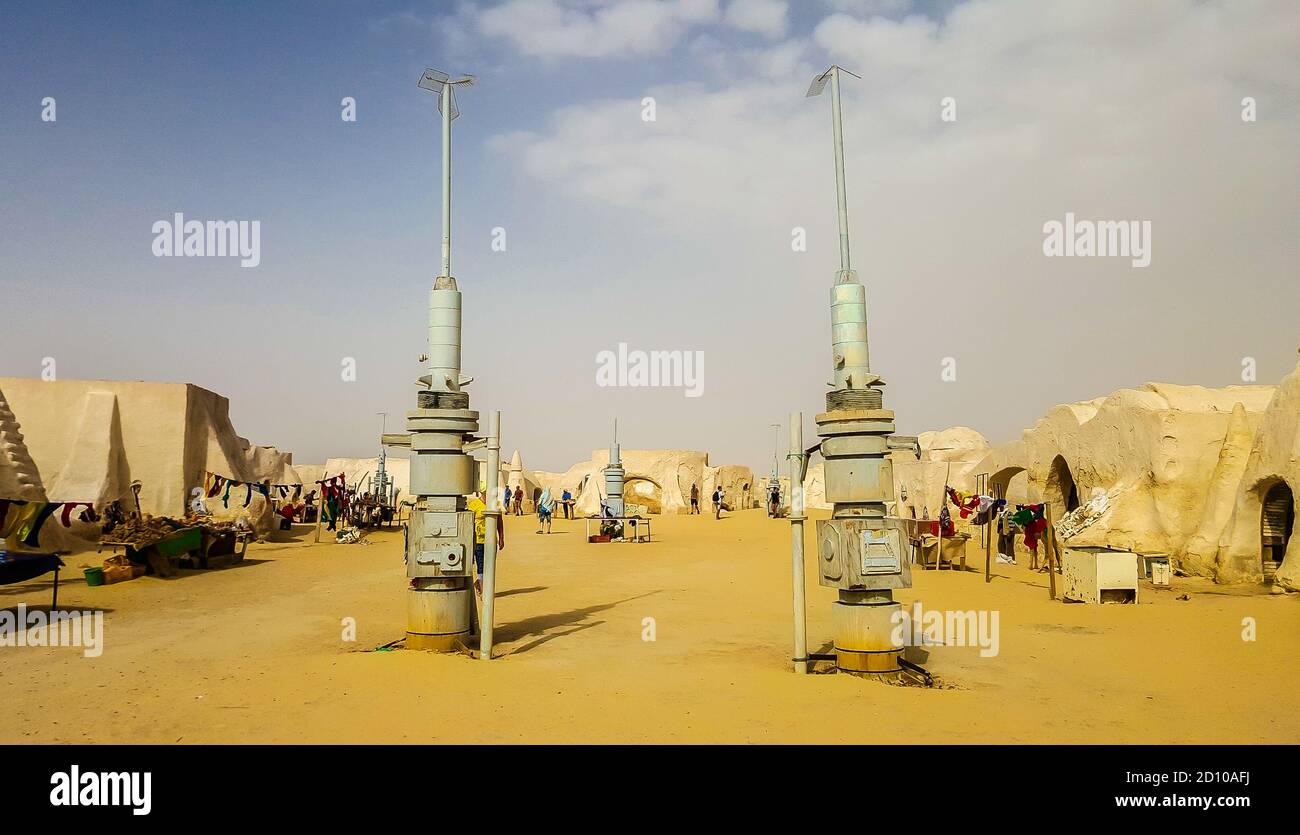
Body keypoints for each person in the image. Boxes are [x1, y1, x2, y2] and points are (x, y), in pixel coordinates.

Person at [467, 489, 506, 595]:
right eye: (485, 492)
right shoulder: (473, 505)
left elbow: (499, 522)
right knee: (481, 565)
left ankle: (479, 584)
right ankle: (484, 591)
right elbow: (469, 524)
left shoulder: (495, 504)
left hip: (492, 541)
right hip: (478, 540)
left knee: (490, 566)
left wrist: (501, 538)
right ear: (481, 493)